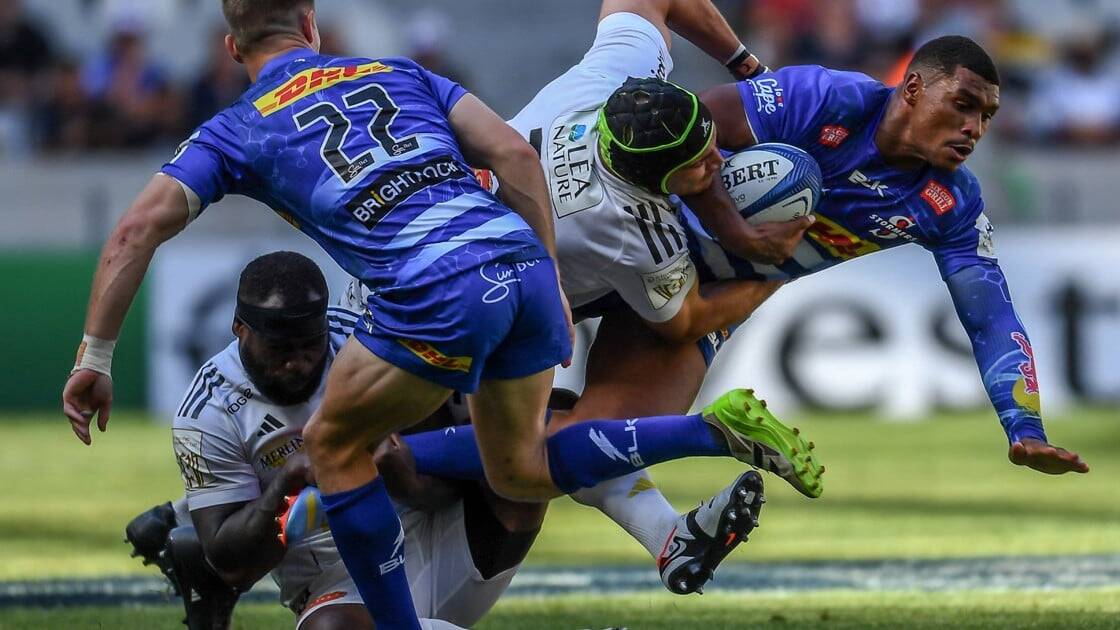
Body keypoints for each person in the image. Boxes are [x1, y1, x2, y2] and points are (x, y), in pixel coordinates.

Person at [555, 34, 1092, 567]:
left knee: (593, 449)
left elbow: (991, 315)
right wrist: (741, 235)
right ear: (912, 89)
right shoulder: (827, 98)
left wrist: (1024, 426)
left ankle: (675, 536)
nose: (974, 128)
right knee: (520, 406)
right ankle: (676, 531)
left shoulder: (952, 203)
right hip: (637, 241)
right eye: (963, 104)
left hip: (709, 306)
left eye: (987, 115)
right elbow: (699, 123)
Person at [126, 251, 767, 628]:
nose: (298, 362)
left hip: (447, 541)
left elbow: (445, 480)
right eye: (278, 348)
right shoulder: (209, 410)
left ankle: (672, 531)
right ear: (238, 329)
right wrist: (285, 489)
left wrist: (403, 471)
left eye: (309, 345)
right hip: (335, 581)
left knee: (534, 425)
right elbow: (231, 560)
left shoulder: (368, 346)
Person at [496, 0, 827, 595]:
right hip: (469, 316)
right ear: (656, 184)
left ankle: (671, 538)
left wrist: (749, 67)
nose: (718, 161)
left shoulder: (612, 79)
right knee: (525, 467)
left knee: (551, 440)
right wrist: (779, 269)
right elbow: (686, 321)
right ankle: (708, 440)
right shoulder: (630, 224)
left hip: (446, 261)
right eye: (700, 166)